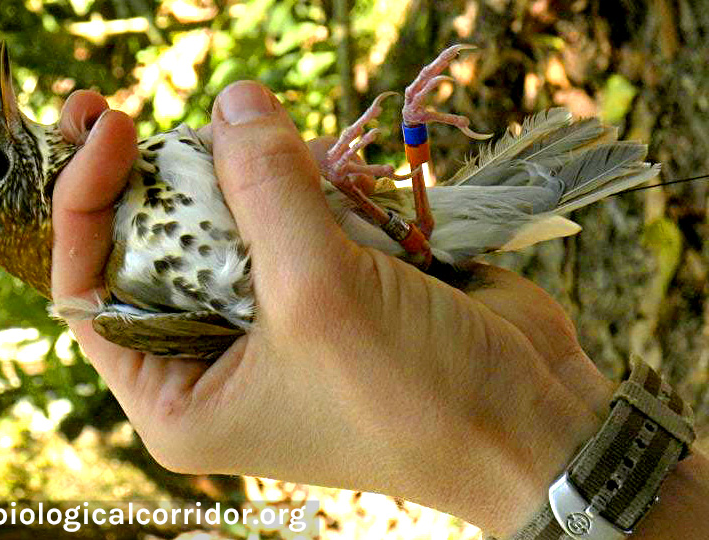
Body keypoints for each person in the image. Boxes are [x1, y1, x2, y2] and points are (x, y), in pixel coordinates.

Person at [51, 81, 708, 538]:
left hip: (398, 229)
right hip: (408, 243)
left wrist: (549, 438)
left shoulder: (134, 191)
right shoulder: (122, 290)